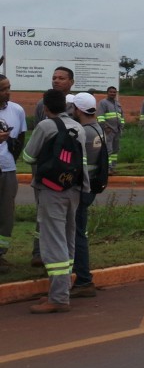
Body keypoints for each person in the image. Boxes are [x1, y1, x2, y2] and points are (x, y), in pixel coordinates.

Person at [22, 89, 86, 314]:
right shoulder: (78, 127)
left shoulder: (45, 126)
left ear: (45, 108)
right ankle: (61, 290)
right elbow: (83, 162)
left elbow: (28, 156)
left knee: (53, 242)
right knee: (68, 238)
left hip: (51, 191)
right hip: (74, 188)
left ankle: (58, 298)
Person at [31, 66, 75, 268]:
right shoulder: (42, 104)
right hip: (46, 169)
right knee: (43, 211)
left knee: (68, 215)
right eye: (54, 77)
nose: (56, 81)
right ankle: (39, 252)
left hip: (70, 169)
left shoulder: (76, 104)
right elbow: (39, 136)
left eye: (61, 78)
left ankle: (64, 255)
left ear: (71, 82)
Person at [71, 92, 103, 299]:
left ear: (79, 110)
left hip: (81, 189)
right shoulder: (98, 128)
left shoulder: (83, 132)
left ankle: (83, 280)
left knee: (77, 234)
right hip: (91, 187)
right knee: (79, 232)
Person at [0, 75, 26, 274]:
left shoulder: (17, 110)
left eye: (8, 88)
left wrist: (11, 158)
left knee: (6, 215)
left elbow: (21, 138)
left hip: (8, 171)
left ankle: (1, 254)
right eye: (2, 89)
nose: (7, 92)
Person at [96, 86, 124, 175]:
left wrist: (121, 127)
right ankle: (107, 169)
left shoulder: (117, 104)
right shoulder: (103, 103)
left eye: (114, 92)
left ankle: (113, 168)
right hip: (108, 130)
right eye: (111, 92)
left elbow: (121, 116)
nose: (113, 93)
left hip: (117, 130)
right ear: (107, 93)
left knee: (115, 150)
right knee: (109, 150)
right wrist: (105, 127)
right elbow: (100, 117)